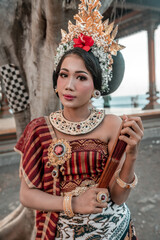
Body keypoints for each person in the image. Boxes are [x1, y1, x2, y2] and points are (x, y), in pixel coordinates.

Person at [14, 1, 144, 239]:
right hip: (65, 233)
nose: (69, 85)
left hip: (116, 230)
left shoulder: (113, 125)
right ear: (56, 81)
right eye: (63, 75)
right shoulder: (39, 130)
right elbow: (27, 196)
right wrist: (73, 204)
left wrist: (132, 155)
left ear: (97, 86)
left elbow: (118, 196)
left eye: (81, 77)